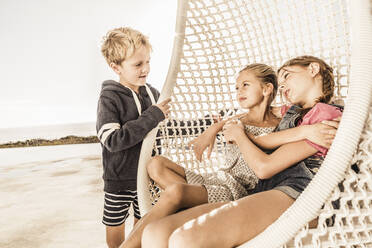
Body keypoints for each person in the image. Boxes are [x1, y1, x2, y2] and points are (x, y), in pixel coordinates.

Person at [121, 63, 337, 248]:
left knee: (176, 193)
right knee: (156, 166)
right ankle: (191, 204)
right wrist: (213, 130)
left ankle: (139, 236)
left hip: (241, 189)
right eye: (236, 87)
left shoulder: (289, 116)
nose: (239, 91)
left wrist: (240, 135)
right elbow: (254, 133)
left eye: (245, 85)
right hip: (224, 179)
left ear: (266, 89)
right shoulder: (243, 121)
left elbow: (266, 157)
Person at [96, 27, 171, 248]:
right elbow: (113, 140)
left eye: (147, 62)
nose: (145, 69)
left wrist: (204, 123)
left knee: (144, 221)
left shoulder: (152, 94)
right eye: (138, 64)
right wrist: (153, 115)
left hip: (148, 176)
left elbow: (166, 127)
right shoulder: (109, 97)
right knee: (115, 223)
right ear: (115, 67)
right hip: (119, 179)